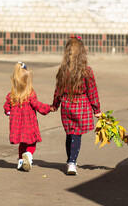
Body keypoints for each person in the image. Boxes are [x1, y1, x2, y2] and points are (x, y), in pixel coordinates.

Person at [52, 36, 101, 175]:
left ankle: (70, 160)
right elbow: (92, 92)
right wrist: (96, 109)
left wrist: (55, 104)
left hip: (67, 106)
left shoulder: (63, 70)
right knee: (76, 134)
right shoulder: (86, 71)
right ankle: (72, 162)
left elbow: (58, 90)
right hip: (81, 106)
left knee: (70, 133)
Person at [4, 62, 54, 171]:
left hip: (17, 125)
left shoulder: (11, 95)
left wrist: (9, 113)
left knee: (22, 143)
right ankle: (28, 154)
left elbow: (6, 108)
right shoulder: (30, 94)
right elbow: (37, 105)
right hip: (28, 123)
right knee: (31, 142)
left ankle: (21, 161)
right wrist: (48, 108)